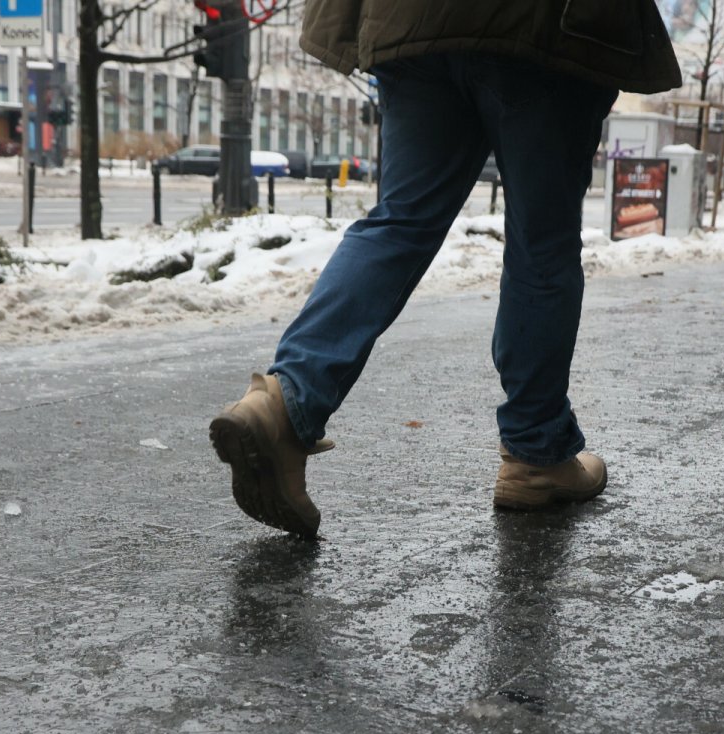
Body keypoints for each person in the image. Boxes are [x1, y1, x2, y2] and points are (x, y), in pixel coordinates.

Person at [208, 2, 680, 538]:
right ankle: (536, 451)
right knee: (541, 243)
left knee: (399, 222)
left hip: (413, 19)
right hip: (545, 28)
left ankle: (284, 401)